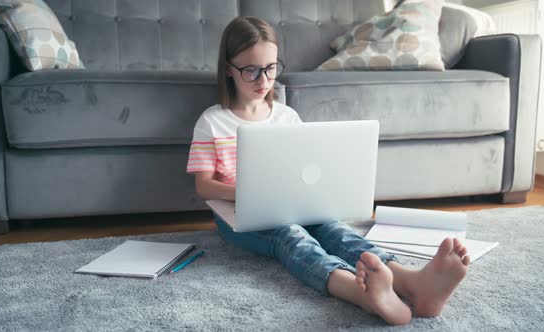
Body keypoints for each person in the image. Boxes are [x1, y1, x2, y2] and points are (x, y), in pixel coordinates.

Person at [186, 16, 470, 325]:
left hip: (292, 203)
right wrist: (249, 194)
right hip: (239, 216)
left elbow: (304, 171)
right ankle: (362, 294)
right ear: (228, 69)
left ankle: (412, 283)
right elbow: (204, 186)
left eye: (269, 68)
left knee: (335, 230)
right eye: (251, 70)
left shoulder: (286, 117)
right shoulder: (212, 121)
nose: (262, 80)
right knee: (291, 236)